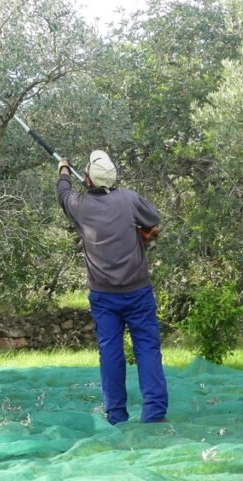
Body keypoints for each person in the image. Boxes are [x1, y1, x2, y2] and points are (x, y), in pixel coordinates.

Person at [57, 149, 168, 424]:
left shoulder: (79, 206)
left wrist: (63, 170)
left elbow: (62, 194)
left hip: (104, 295)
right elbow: (152, 219)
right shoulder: (129, 199)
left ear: (89, 180)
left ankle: (116, 415)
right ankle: (154, 413)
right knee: (148, 349)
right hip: (138, 291)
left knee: (110, 353)